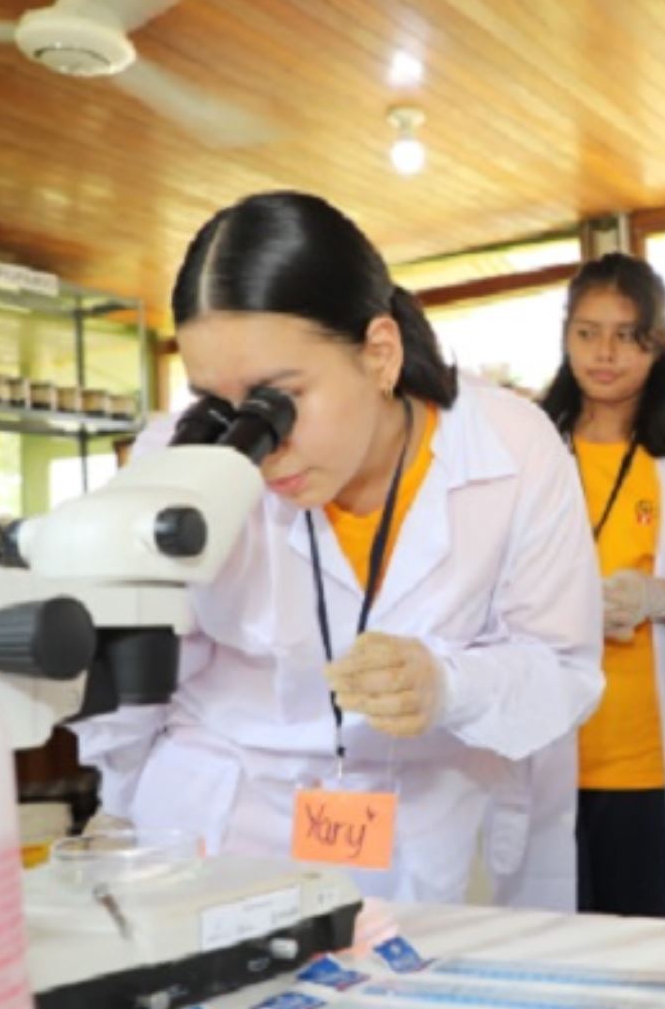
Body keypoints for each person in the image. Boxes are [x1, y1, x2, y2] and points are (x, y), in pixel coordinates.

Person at [75, 191, 603, 907]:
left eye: (277, 398)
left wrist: (448, 684)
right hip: (215, 824)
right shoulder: (183, 457)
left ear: (379, 353)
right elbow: (145, 674)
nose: (256, 443)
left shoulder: (515, 448)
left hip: (417, 831)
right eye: (221, 403)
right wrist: (121, 813)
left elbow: (563, 667)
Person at [538, 253, 665, 919]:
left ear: (659, 342)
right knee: (551, 955)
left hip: (649, 759)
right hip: (549, 752)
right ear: (565, 336)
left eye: (627, 333)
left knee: (647, 957)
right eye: (587, 332)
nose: (605, 352)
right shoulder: (530, 449)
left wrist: (663, 596)